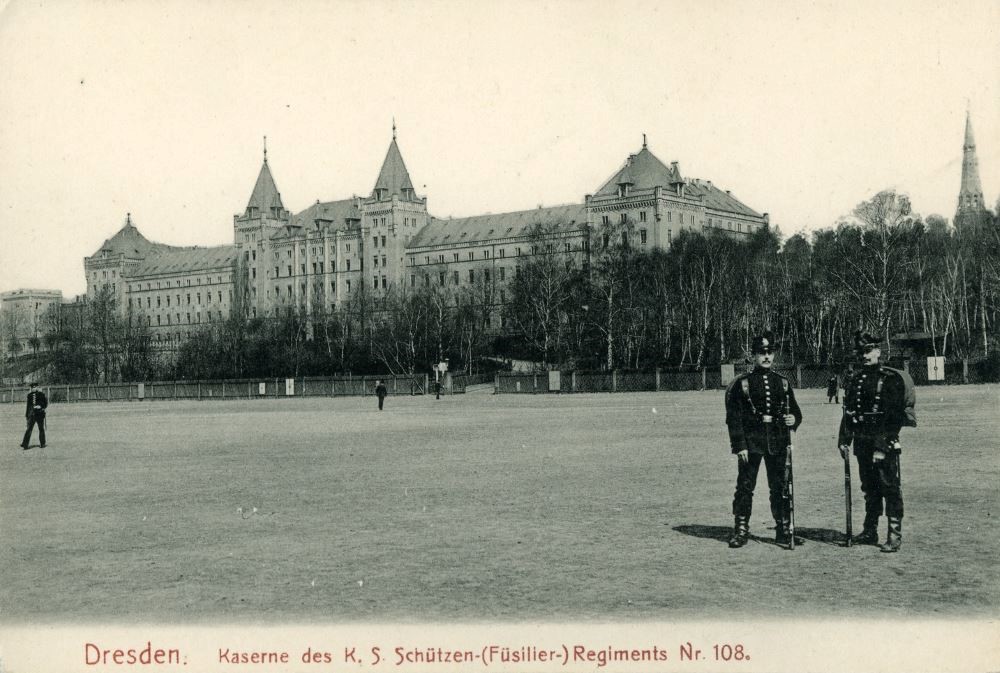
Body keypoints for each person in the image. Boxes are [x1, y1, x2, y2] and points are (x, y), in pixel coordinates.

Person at [724, 332, 803, 548]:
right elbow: (734, 418)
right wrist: (739, 445)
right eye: (762, 353)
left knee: (779, 487)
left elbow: (796, 412)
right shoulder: (743, 384)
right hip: (751, 443)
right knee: (745, 487)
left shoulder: (783, 383)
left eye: (769, 353)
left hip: (777, 442)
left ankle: (783, 528)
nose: (766, 357)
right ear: (754, 355)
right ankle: (741, 529)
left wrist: (792, 419)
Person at [838, 331, 908, 552]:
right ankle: (870, 530)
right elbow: (849, 412)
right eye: (861, 352)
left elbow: (894, 416)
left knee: (889, 487)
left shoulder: (890, 379)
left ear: (878, 351)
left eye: (868, 351)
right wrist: (844, 439)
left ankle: (894, 534)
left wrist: (881, 446)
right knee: (869, 487)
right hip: (862, 442)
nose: (865, 356)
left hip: (883, 442)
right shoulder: (856, 379)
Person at [20, 381, 48, 450]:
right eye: (32, 387)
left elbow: (45, 403)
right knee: (29, 429)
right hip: (32, 415)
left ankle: (42, 443)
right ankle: (25, 444)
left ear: (37, 387)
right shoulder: (29, 395)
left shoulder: (41, 394)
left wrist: (40, 406)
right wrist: (27, 415)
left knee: (41, 429)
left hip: (40, 414)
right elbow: (28, 406)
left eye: (35, 387)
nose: (34, 388)